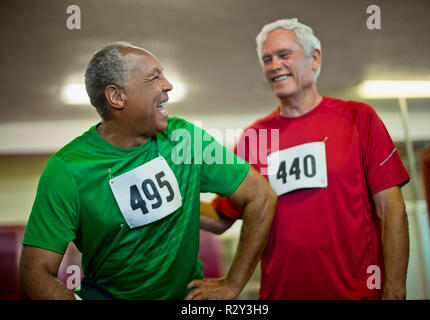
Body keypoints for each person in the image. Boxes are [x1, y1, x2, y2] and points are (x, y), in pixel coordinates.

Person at [19, 42, 277, 300]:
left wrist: (232, 284)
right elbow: (35, 275)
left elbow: (261, 197)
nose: (167, 85)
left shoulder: (184, 139)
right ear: (117, 97)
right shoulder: (67, 170)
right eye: (155, 77)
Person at [203, 18, 410, 300]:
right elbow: (222, 216)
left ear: (314, 58)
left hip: (358, 294)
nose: (274, 65)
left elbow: (392, 210)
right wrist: (177, 196)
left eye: (284, 55)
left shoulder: (358, 119)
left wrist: (395, 291)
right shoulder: (255, 136)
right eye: (267, 59)